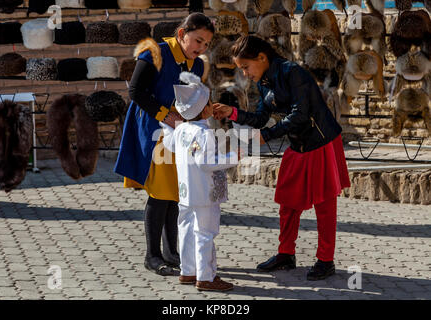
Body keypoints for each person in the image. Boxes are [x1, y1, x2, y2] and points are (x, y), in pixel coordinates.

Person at [213, 36, 351, 281]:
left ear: (262, 58)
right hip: (297, 144)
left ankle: (325, 260)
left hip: (321, 142)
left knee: (324, 206)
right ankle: (286, 254)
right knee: (288, 202)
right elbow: (261, 117)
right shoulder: (264, 80)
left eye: (245, 67)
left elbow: (300, 114)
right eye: (241, 69)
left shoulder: (292, 72)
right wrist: (232, 112)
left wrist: (266, 136)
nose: (244, 74)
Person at [114, 13, 214, 276]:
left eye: (206, 44)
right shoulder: (154, 53)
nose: (201, 48)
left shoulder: (198, 65)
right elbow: (136, 92)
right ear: (182, 34)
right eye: (197, 41)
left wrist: (203, 111)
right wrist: (165, 115)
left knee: (176, 193)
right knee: (159, 194)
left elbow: (191, 99)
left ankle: (172, 252)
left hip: (179, 133)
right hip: (152, 129)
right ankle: (152, 255)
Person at [160, 72, 238, 291]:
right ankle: (206, 276)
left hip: (185, 192)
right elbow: (207, 163)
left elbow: (170, 145)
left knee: (185, 228)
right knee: (205, 232)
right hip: (205, 193)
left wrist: (166, 125)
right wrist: (233, 158)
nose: (213, 105)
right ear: (204, 109)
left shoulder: (182, 129)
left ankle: (188, 271)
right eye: (210, 102)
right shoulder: (204, 133)